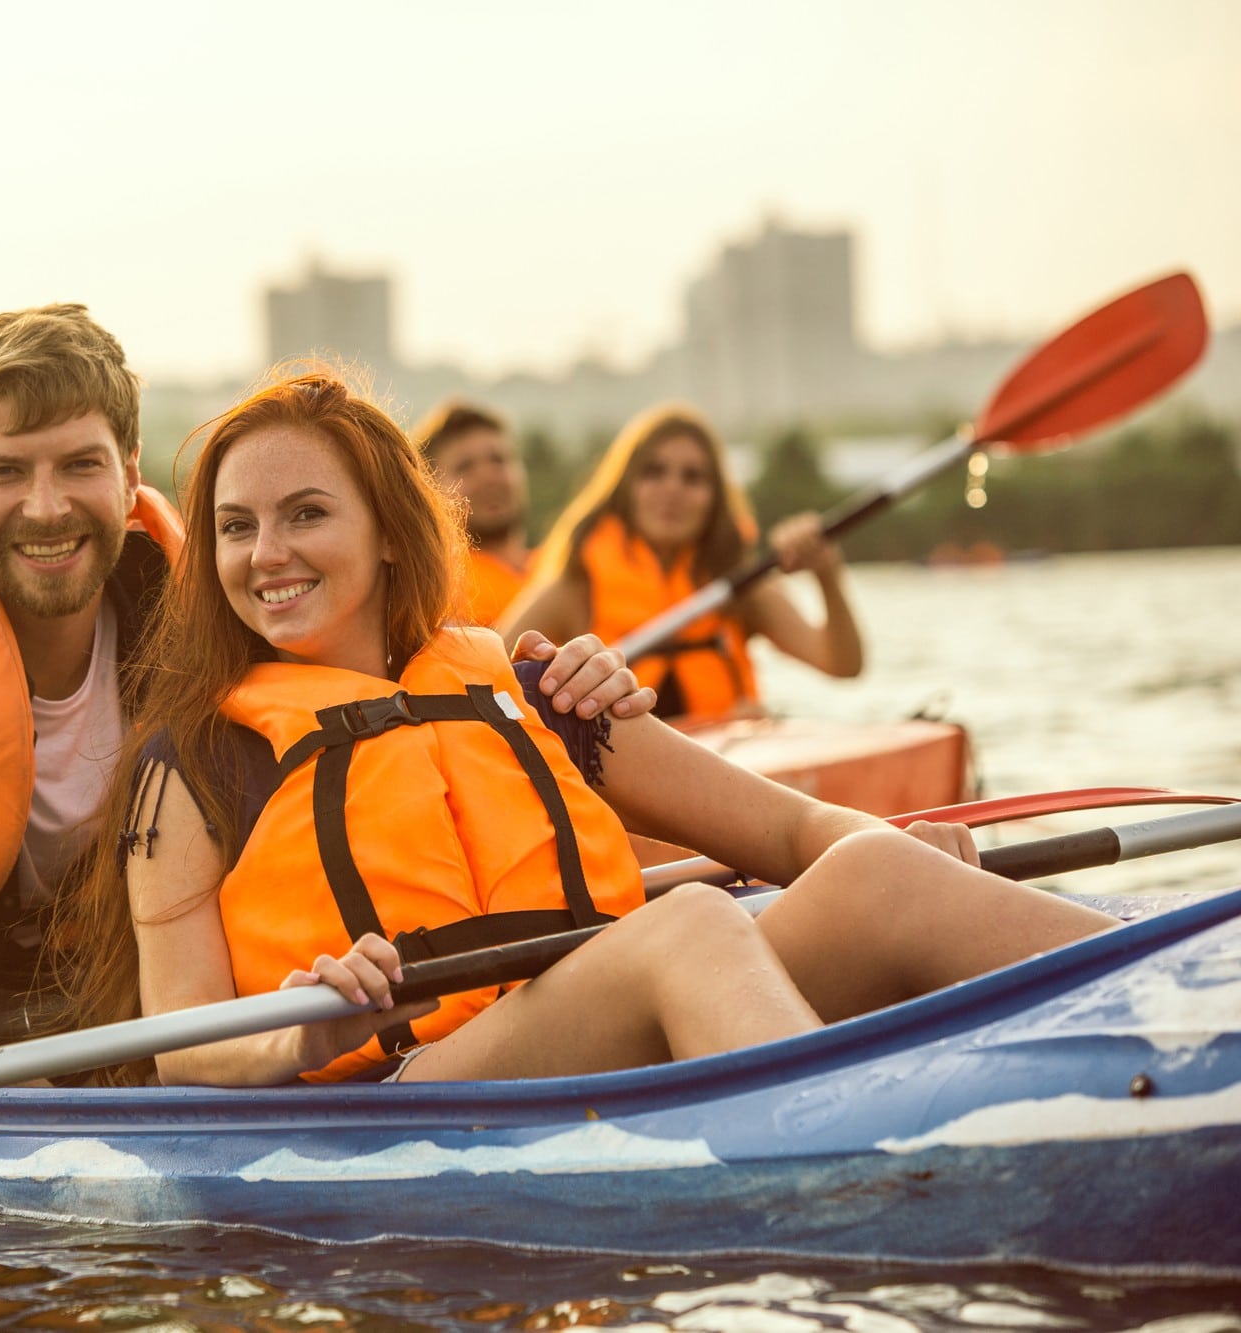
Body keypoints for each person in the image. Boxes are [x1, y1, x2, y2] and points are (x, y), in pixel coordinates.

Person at [58, 368, 1114, 1089]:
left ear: (386, 532)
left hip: (612, 1015)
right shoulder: (189, 764)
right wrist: (298, 1031)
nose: (264, 554)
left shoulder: (532, 689)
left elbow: (794, 836)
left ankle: (1181, 1001)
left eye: (304, 513)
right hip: (409, 1086)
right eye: (235, 527)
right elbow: (179, 1045)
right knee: (694, 924)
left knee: (873, 869)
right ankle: (863, 1162)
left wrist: (898, 853)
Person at [0, 307, 655, 1065]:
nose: (47, 505)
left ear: (129, 470)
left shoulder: (199, 592)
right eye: (6, 471)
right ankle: (62, 1123)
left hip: (137, 981)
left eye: (79, 465)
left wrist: (548, 684)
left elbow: (384, 665)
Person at [498, 403, 863, 721]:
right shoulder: (576, 585)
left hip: (730, 763)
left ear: (714, 497)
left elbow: (842, 664)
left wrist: (827, 577)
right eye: (654, 472)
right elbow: (488, 673)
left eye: (693, 477)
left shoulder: (740, 584)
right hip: (617, 782)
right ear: (626, 488)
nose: (672, 489)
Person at [412, 399, 532, 626]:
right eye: (465, 467)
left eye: (499, 459)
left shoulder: (564, 565)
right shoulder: (438, 596)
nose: (489, 477)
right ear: (429, 491)